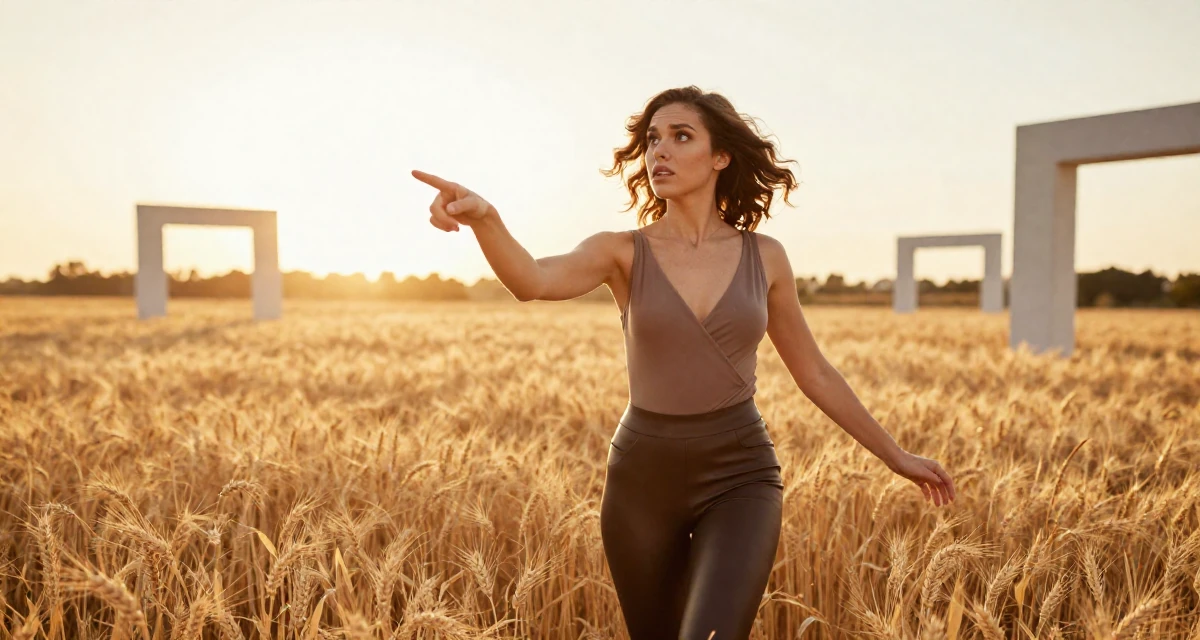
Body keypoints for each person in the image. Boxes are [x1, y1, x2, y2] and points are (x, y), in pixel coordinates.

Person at [412, 85, 955, 640]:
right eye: (652, 140)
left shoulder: (764, 257)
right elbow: (532, 280)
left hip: (740, 472)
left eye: (680, 137)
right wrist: (486, 218)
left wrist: (895, 455)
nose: (659, 153)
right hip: (642, 480)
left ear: (720, 156)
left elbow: (812, 370)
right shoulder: (620, 251)